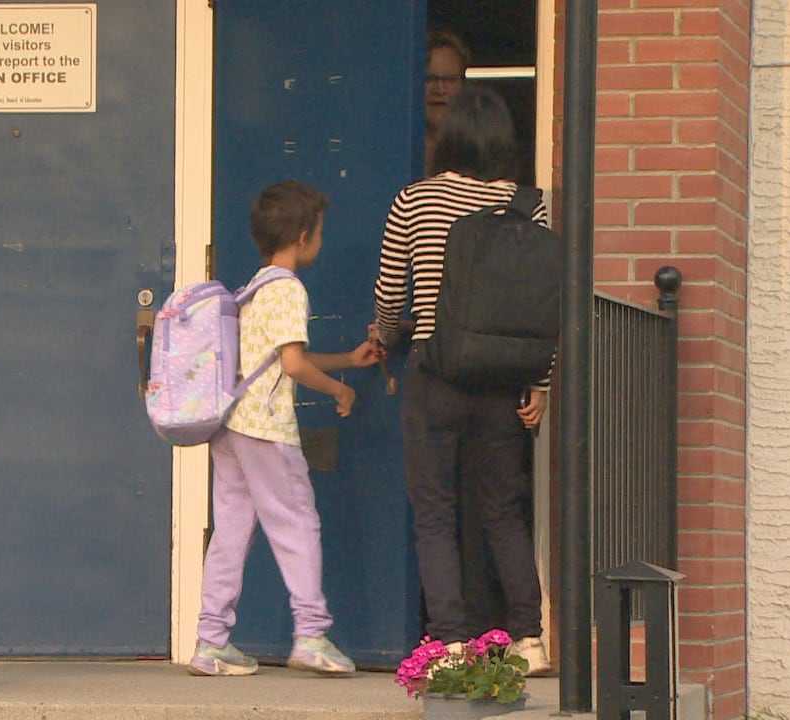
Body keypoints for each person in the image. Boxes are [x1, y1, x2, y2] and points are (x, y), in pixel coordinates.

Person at [372, 85, 553, 675]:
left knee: (435, 511)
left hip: (436, 370)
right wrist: (541, 382)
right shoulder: (530, 206)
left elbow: (392, 296)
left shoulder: (414, 201)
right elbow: (542, 304)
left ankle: (448, 645)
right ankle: (530, 638)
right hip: (503, 378)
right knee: (503, 509)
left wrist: (382, 335)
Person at [188, 180, 384, 677]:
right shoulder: (289, 288)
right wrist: (340, 391)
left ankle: (211, 642)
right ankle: (311, 634)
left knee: (230, 531)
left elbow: (279, 359)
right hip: (267, 429)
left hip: (231, 428)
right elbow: (293, 366)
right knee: (297, 523)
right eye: (318, 231)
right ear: (302, 236)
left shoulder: (254, 287)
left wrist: (346, 362)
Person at [423, 30, 471, 177]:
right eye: (430, 79)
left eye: (450, 80)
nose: (440, 89)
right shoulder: (394, 150)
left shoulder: (479, 152)